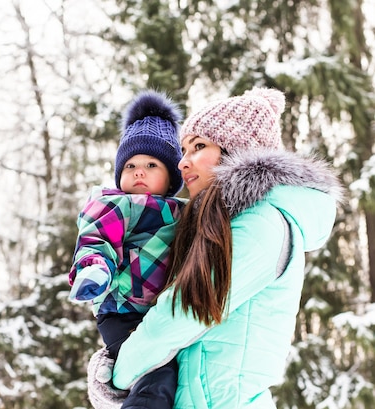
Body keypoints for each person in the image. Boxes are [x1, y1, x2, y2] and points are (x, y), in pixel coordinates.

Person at [86, 87, 343, 408]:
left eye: (198, 146)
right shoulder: (222, 224)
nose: (182, 162)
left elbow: (181, 314)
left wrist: (118, 375)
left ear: (238, 149)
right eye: (183, 150)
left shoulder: (261, 223)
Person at [68, 90, 187, 408]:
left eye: (151, 164)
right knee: (156, 376)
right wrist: (95, 268)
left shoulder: (185, 211)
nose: (139, 171)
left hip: (162, 311)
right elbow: (96, 239)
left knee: (175, 374)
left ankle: (111, 366)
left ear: (171, 176)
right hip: (121, 311)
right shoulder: (114, 205)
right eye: (131, 164)